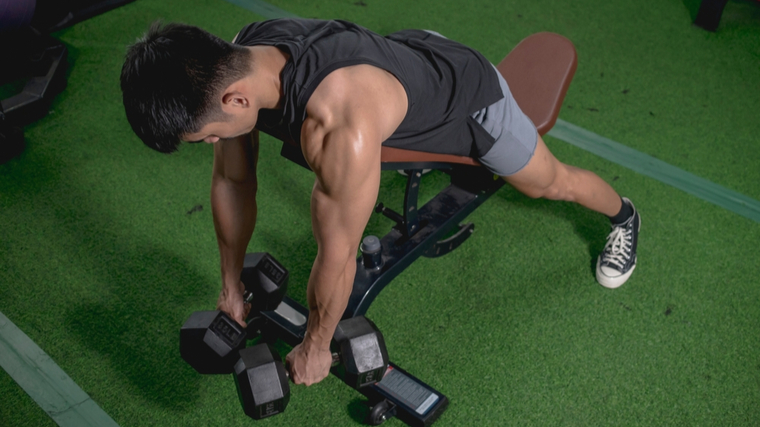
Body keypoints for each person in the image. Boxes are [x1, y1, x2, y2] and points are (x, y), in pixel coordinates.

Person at [120, 18, 640, 386]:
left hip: (470, 98)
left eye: (209, 137)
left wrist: (317, 346)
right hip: (403, 60)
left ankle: (624, 215)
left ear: (235, 101)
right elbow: (234, 182)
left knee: (548, 182)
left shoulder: (341, 125)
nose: (214, 144)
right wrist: (230, 285)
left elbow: (339, 252)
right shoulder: (238, 55)